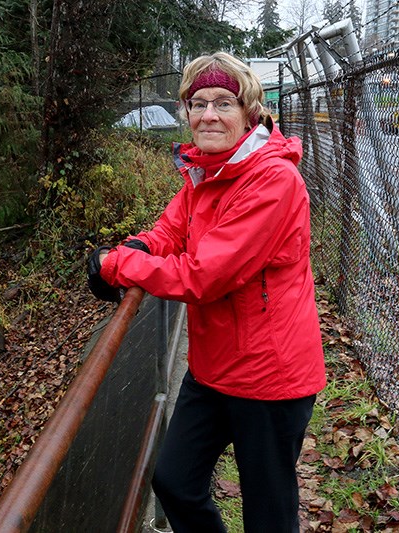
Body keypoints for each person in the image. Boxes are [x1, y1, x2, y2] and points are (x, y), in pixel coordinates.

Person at [87, 52, 326, 532]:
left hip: (268, 376)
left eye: (223, 103)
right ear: (186, 112)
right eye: (198, 103)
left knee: (269, 512)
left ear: (249, 114)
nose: (209, 114)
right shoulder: (206, 172)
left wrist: (117, 266)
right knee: (174, 481)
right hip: (214, 367)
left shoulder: (273, 181)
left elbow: (202, 275)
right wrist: (135, 247)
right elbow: (170, 230)